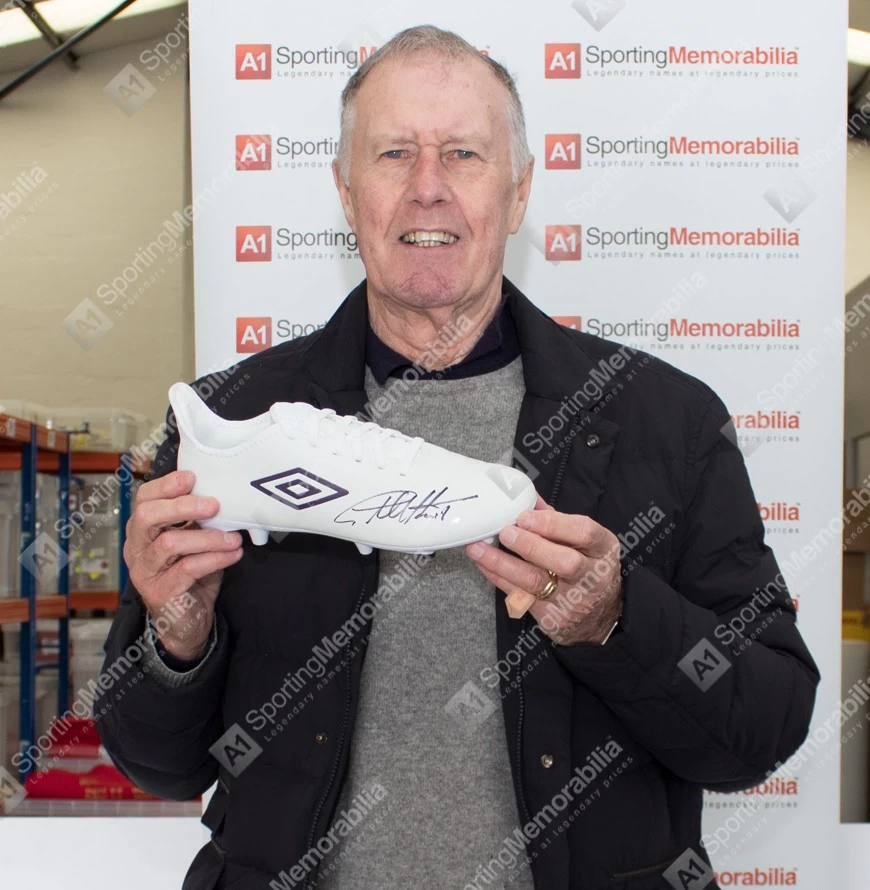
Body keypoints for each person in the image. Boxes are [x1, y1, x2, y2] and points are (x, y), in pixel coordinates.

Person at [97, 25, 819, 890]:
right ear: (346, 191)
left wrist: (617, 621)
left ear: (518, 193)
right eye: (394, 153)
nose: (427, 187)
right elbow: (158, 763)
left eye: (464, 154)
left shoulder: (667, 421)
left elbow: (764, 728)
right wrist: (178, 641)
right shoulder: (233, 421)